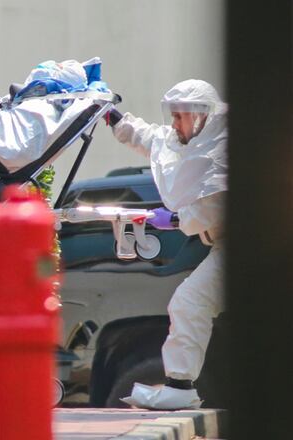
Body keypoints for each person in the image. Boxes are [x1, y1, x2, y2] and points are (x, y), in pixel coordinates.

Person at [105, 79, 228, 409]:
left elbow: (212, 208)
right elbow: (152, 139)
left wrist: (173, 220)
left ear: (199, 116)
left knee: (190, 302)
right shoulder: (194, 141)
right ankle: (180, 386)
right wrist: (112, 117)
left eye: (179, 117)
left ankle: (181, 387)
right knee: (190, 303)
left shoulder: (222, 148)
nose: (174, 125)